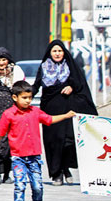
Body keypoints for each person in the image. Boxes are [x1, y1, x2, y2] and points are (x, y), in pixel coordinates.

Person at [0, 81, 75, 201]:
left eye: (29, 98)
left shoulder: (35, 112)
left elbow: (49, 119)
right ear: (15, 97)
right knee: (20, 184)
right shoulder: (9, 114)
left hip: (34, 157)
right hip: (18, 157)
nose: (28, 101)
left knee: (37, 186)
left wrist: (65, 116)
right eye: (24, 98)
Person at [32, 39, 98, 186]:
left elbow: (80, 84)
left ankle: (66, 169)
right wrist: (24, 95)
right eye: (54, 51)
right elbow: (36, 86)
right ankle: (56, 173)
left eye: (60, 51)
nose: (57, 53)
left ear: (64, 52)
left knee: (67, 141)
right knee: (53, 141)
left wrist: (71, 87)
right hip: (49, 110)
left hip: (67, 110)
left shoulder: (70, 66)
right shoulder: (43, 67)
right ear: (50, 53)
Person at [0, 47, 25, 185]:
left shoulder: (16, 72)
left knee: (10, 144)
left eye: (4, 59)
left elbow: (22, 90)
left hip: (11, 113)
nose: (1, 63)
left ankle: (7, 174)